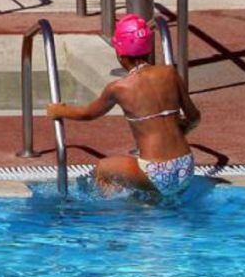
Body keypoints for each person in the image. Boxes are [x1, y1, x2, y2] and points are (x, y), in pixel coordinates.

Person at [47, 14, 201, 197]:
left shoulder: (119, 88)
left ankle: (118, 217)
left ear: (120, 54)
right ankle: (156, 203)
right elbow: (194, 117)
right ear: (148, 48)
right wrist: (179, 129)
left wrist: (60, 110)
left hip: (155, 173)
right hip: (186, 166)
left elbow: (88, 113)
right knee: (148, 179)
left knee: (102, 170)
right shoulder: (170, 73)